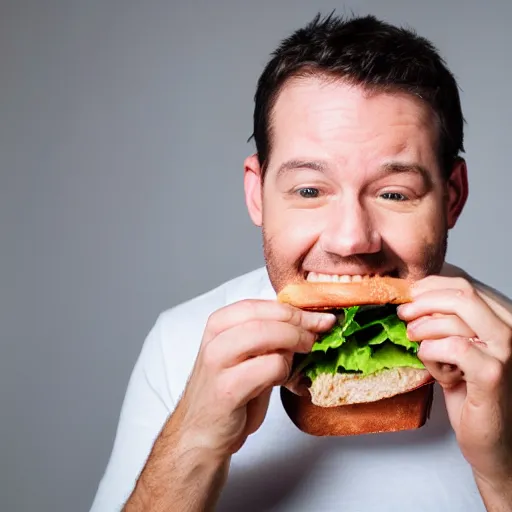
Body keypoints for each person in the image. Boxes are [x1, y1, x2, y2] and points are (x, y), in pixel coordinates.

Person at [90, 13, 512, 512]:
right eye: (310, 190)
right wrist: (194, 444)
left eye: (394, 193)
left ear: (452, 198)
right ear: (258, 195)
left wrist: (502, 471)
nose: (352, 239)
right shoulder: (180, 343)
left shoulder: (507, 354)